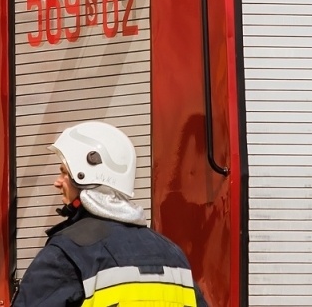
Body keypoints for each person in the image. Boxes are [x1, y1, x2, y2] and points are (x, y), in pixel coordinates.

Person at [13, 121, 206, 307]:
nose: (57, 182)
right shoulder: (173, 255)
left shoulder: (69, 251)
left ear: (85, 177)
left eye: (64, 173)